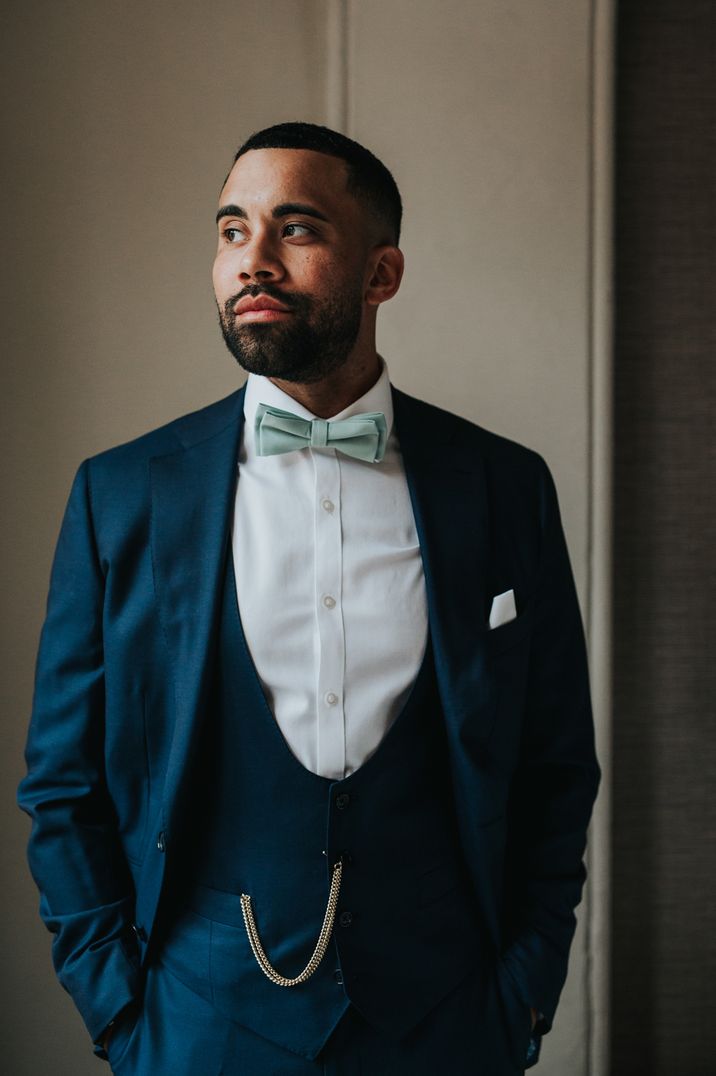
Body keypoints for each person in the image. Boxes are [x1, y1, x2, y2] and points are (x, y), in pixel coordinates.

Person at [18, 122, 600, 1075]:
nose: (253, 261)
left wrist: (522, 998)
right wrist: (121, 1012)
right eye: (231, 230)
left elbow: (554, 766)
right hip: (192, 1028)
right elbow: (62, 782)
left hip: (449, 1029)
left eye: (295, 230)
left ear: (382, 275)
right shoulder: (121, 495)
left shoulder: (502, 488)